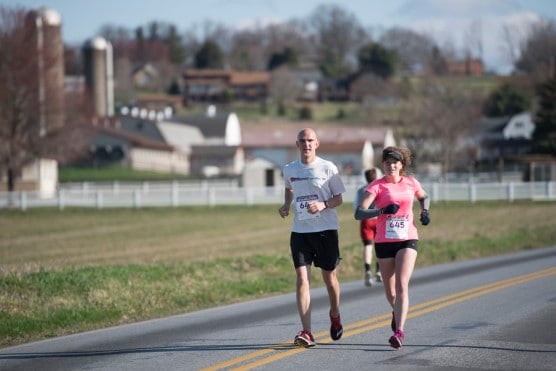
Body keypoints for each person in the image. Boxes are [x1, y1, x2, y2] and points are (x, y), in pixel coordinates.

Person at [354, 146, 430, 350]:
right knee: (390, 292)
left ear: (401, 165)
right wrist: (381, 210)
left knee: (402, 285)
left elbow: (424, 196)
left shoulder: (411, 183)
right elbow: (359, 213)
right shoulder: (376, 186)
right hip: (384, 241)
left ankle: (399, 332)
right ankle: (395, 311)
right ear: (383, 166)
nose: (391, 166)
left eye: (395, 163)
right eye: (387, 163)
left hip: (407, 239)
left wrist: (425, 212)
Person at [278, 128, 346, 348]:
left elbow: (339, 199)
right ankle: (307, 331)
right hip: (300, 231)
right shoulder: (289, 169)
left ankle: (334, 314)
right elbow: (290, 188)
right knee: (302, 280)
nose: (306, 144)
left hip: (326, 231)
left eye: (310, 140)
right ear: (297, 144)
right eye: (302, 141)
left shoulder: (328, 168)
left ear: (317, 143)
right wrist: (287, 204)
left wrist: (323, 204)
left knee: (330, 279)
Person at [353, 168, 381, 287]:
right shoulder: (380, 188)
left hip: (366, 220)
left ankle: (368, 270)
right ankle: (379, 271)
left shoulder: (360, 190)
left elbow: (356, 206)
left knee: (368, 246)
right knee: (380, 246)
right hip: (379, 219)